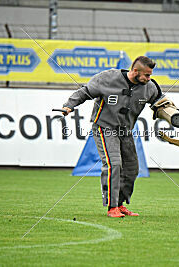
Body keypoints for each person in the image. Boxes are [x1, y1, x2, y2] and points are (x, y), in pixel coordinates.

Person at [62, 56, 162, 218]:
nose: (149, 78)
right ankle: (112, 206)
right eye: (146, 75)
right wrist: (69, 106)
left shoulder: (149, 87)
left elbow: (161, 102)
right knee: (113, 164)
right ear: (135, 71)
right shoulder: (108, 79)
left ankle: (120, 204)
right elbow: (85, 92)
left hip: (126, 132)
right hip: (104, 127)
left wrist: (174, 115)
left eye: (150, 75)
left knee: (131, 169)